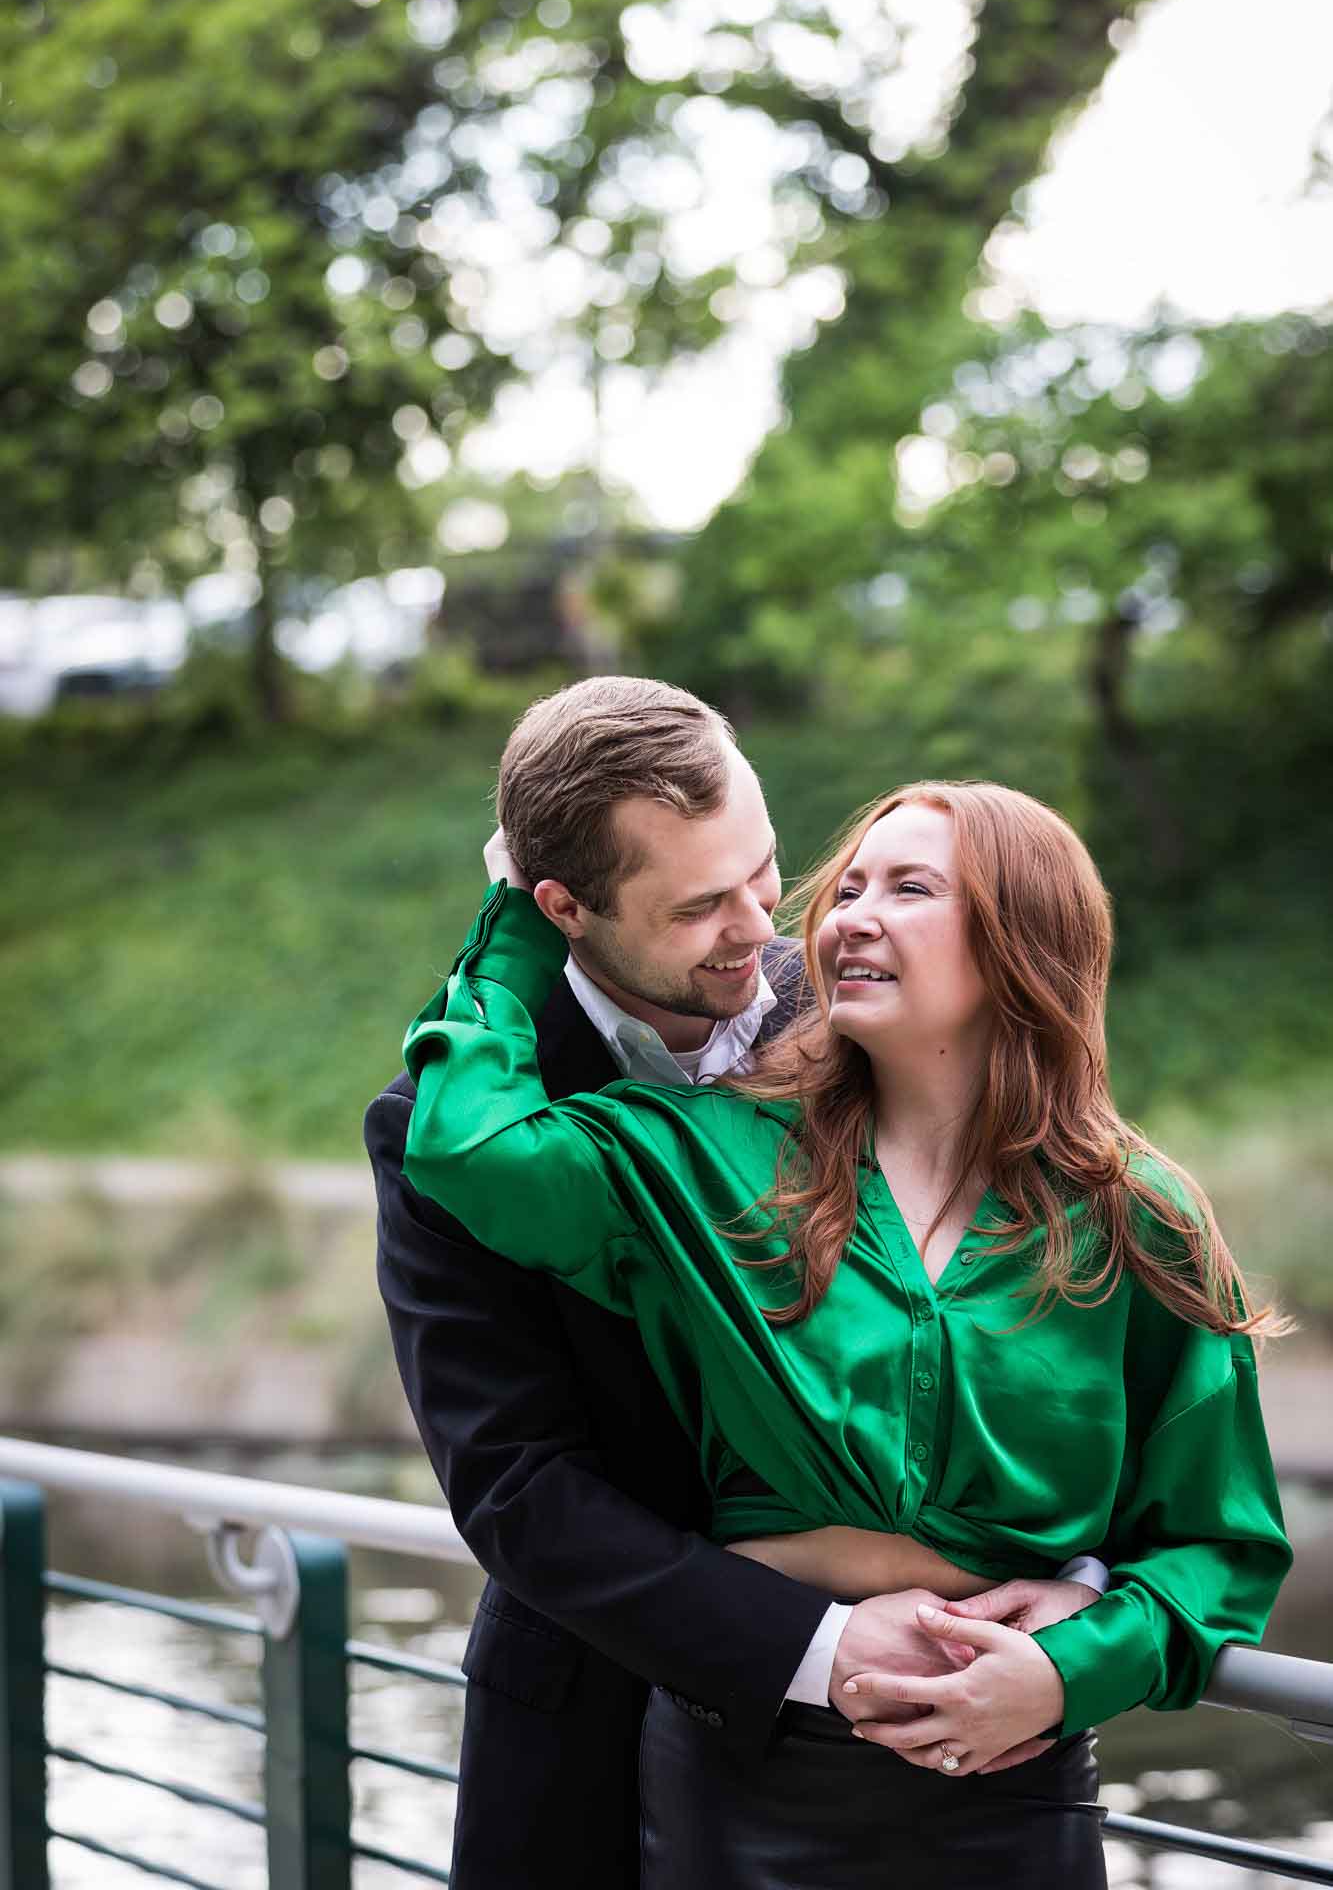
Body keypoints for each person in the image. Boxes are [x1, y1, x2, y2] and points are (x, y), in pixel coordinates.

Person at [400, 759, 1292, 1888]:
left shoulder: (1137, 1217)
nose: (848, 916)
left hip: (1006, 1780)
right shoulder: (699, 1151)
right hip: (744, 1763)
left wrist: (1074, 1664)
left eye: (909, 889)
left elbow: (1220, 1545)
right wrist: (525, 911)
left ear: (1024, 936)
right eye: (849, 887)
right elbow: (467, 1151)